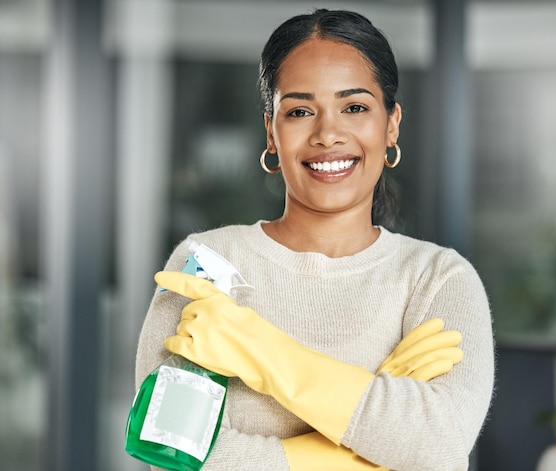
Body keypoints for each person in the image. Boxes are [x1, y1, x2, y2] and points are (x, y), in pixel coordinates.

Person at [135, 8, 494, 471]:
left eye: (355, 107)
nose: (328, 134)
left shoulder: (437, 281)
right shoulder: (209, 266)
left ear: (391, 125)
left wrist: (267, 353)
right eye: (300, 111)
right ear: (271, 131)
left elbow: (441, 446)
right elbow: (169, 455)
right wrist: (355, 449)